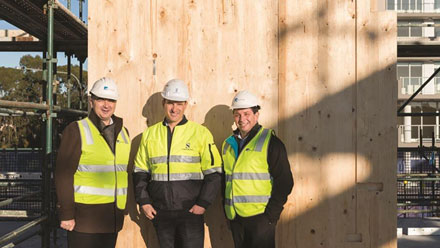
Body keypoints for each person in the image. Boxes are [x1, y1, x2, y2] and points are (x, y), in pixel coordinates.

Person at [133, 79, 222, 248]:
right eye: (171, 103)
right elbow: (139, 172)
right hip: (160, 212)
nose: (175, 109)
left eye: (179, 104)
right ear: (163, 103)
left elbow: (214, 173)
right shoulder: (150, 135)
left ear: (186, 105)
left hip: (191, 212)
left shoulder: (200, 133)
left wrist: (202, 204)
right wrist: (144, 202)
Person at [55, 77, 130, 248]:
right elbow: (63, 175)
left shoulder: (124, 133)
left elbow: (123, 172)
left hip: (112, 219)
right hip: (84, 221)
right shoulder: (76, 130)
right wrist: (66, 214)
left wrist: (123, 208)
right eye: (100, 99)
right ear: (91, 101)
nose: (106, 105)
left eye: (110, 100)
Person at [222, 90, 294, 248]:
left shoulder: (271, 142)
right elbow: (226, 180)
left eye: (246, 113)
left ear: (256, 114)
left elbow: (285, 181)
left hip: (260, 219)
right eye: (237, 114)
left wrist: (270, 216)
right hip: (235, 218)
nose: (242, 119)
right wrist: (227, 212)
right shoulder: (228, 144)